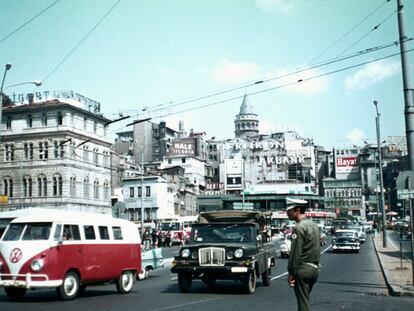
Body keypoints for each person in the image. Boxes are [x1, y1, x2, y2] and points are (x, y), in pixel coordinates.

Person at [286, 198, 321, 311]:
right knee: (305, 299)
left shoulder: (299, 227)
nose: (287, 213)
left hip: (303, 270)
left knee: (303, 304)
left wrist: (291, 272)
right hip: (315, 268)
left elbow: (295, 253)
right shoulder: (313, 225)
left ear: (297, 210)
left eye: (289, 210)